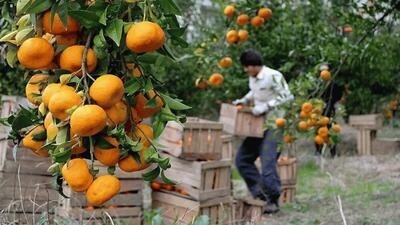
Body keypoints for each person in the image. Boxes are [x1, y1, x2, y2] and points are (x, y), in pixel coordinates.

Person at [232, 49, 293, 214]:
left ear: (254, 65)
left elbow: (287, 96)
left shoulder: (273, 76)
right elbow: (255, 92)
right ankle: (260, 194)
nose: (246, 70)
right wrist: (244, 100)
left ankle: (273, 201)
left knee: (267, 163)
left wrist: (266, 106)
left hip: (274, 125)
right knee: (242, 160)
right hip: (257, 125)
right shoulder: (253, 79)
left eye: (247, 67)